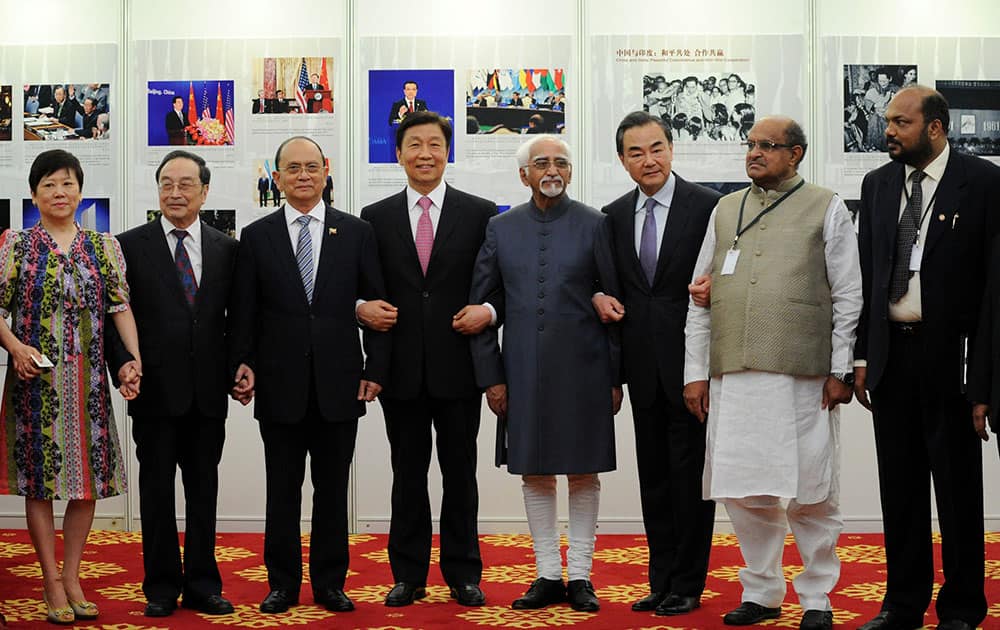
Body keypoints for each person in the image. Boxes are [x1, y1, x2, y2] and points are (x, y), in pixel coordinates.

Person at [683, 117, 861, 630]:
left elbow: (848, 293)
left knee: (810, 490)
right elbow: (700, 296)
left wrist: (841, 369)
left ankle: (817, 598)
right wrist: (695, 373)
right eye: (751, 145)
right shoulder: (724, 209)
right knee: (743, 489)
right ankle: (761, 592)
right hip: (732, 378)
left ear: (796, 153)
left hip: (802, 377)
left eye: (768, 146)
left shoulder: (826, 205)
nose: (755, 154)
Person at [854, 85, 999, 630]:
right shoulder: (877, 184)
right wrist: (863, 355)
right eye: (887, 122)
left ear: (935, 127)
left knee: (959, 491)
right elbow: (869, 280)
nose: (887, 131)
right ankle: (903, 603)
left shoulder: (983, 183)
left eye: (900, 122)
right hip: (893, 359)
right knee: (901, 488)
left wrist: (983, 380)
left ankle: (961, 608)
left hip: (953, 360)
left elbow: (993, 294)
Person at [228, 136, 390, 615]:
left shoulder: (356, 232)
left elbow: (377, 305)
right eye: (292, 168)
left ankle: (329, 583)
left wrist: (375, 367)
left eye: (311, 167)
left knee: (332, 490)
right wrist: (241, 363)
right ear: (276, 177)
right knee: (281, 490)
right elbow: (244, 313)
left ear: (326, 171)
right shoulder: (257, 237)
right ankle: (281, 583)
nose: (303, 175)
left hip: (340, 384)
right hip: (279, 386)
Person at [470, 134, 621, 614]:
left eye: (560, 162)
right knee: (533, 470)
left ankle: (580, 574)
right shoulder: (500, 227)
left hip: (586, 368)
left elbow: (615, 303)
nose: (551, 170)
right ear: (524, 174)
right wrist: (491, 377)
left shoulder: (597, 224)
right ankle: (546, 574)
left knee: (583, 469)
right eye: (541, 163)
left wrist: (615, 376)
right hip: (522, 370)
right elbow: (481, 306)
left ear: (571, 172)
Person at [359, 111, 498, 608]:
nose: (424, 153)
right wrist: (360, 309)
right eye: (413, 144)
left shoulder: (481, 213)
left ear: (447, 151)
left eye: (434, 144)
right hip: (400, 371)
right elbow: (361, 289)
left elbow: (499, 283)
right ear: (398, 155)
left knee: (461, 473)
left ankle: (464, 573)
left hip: (460, 366)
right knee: (407, 473)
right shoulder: (374, 218)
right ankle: (408, 573)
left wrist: (489, 310)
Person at [0, 149, 141, 624]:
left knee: (87, 486)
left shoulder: (104, 247)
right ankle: (50, 580)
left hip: (89, 383)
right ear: (34, 194)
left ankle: (74, 574)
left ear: (80, 191)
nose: (59, 193)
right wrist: (17, 349)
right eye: (49, 185)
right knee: (40, 485)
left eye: (68, 184)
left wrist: (133, 359)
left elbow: (119, 307)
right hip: (34, 382)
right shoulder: (16, 244)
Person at [592, 111, 720, 616]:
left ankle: (689, 583)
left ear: (672, 149)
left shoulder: (709, 207)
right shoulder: (613, 214)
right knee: (655, 479)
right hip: (641, 370)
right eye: (636, 152)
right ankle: (661, 578)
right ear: (623, 160)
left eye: (657, 148)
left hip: (691, 368)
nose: (649, 160)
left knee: (691, 479)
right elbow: (609, 286)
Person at [104, 151, 239, 618]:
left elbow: (236, 320)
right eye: (166, 183)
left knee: (204, 491)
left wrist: (242, 365)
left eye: (185, 184)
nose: (175, 192)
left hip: (207, 393)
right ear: (157, 189)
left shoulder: (226, 247)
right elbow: (112, 316)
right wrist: (122, 363)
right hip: (153, 392)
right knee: (156, 492)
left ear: (204, 191)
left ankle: (204, 584)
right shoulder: (128, 246)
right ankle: (160, 586)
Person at [865, 69, 895, 152]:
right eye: (880, 81)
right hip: (875, 123)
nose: (882, 83)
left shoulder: (895, 90)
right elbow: (867, 103)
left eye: (885, 81)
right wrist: (874, 106)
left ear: (890, 79)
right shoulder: (872, 90)